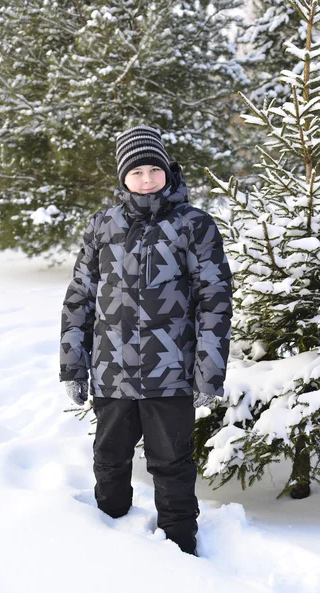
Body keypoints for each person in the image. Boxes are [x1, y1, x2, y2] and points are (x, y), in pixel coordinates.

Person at [59, 125, 233, 555]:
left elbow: (215, 300)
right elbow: (79, 297)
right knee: (109, 461)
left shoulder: (193, 225)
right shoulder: (102, 225)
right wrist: (72, 366)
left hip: (170, 373)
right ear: (123, 178)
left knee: (172, 465)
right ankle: (107, 543)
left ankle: (181, 551)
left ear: (167, 171)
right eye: (137, 172)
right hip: (111, 372)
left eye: (154, 169)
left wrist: (209, 373)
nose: (147, 179)